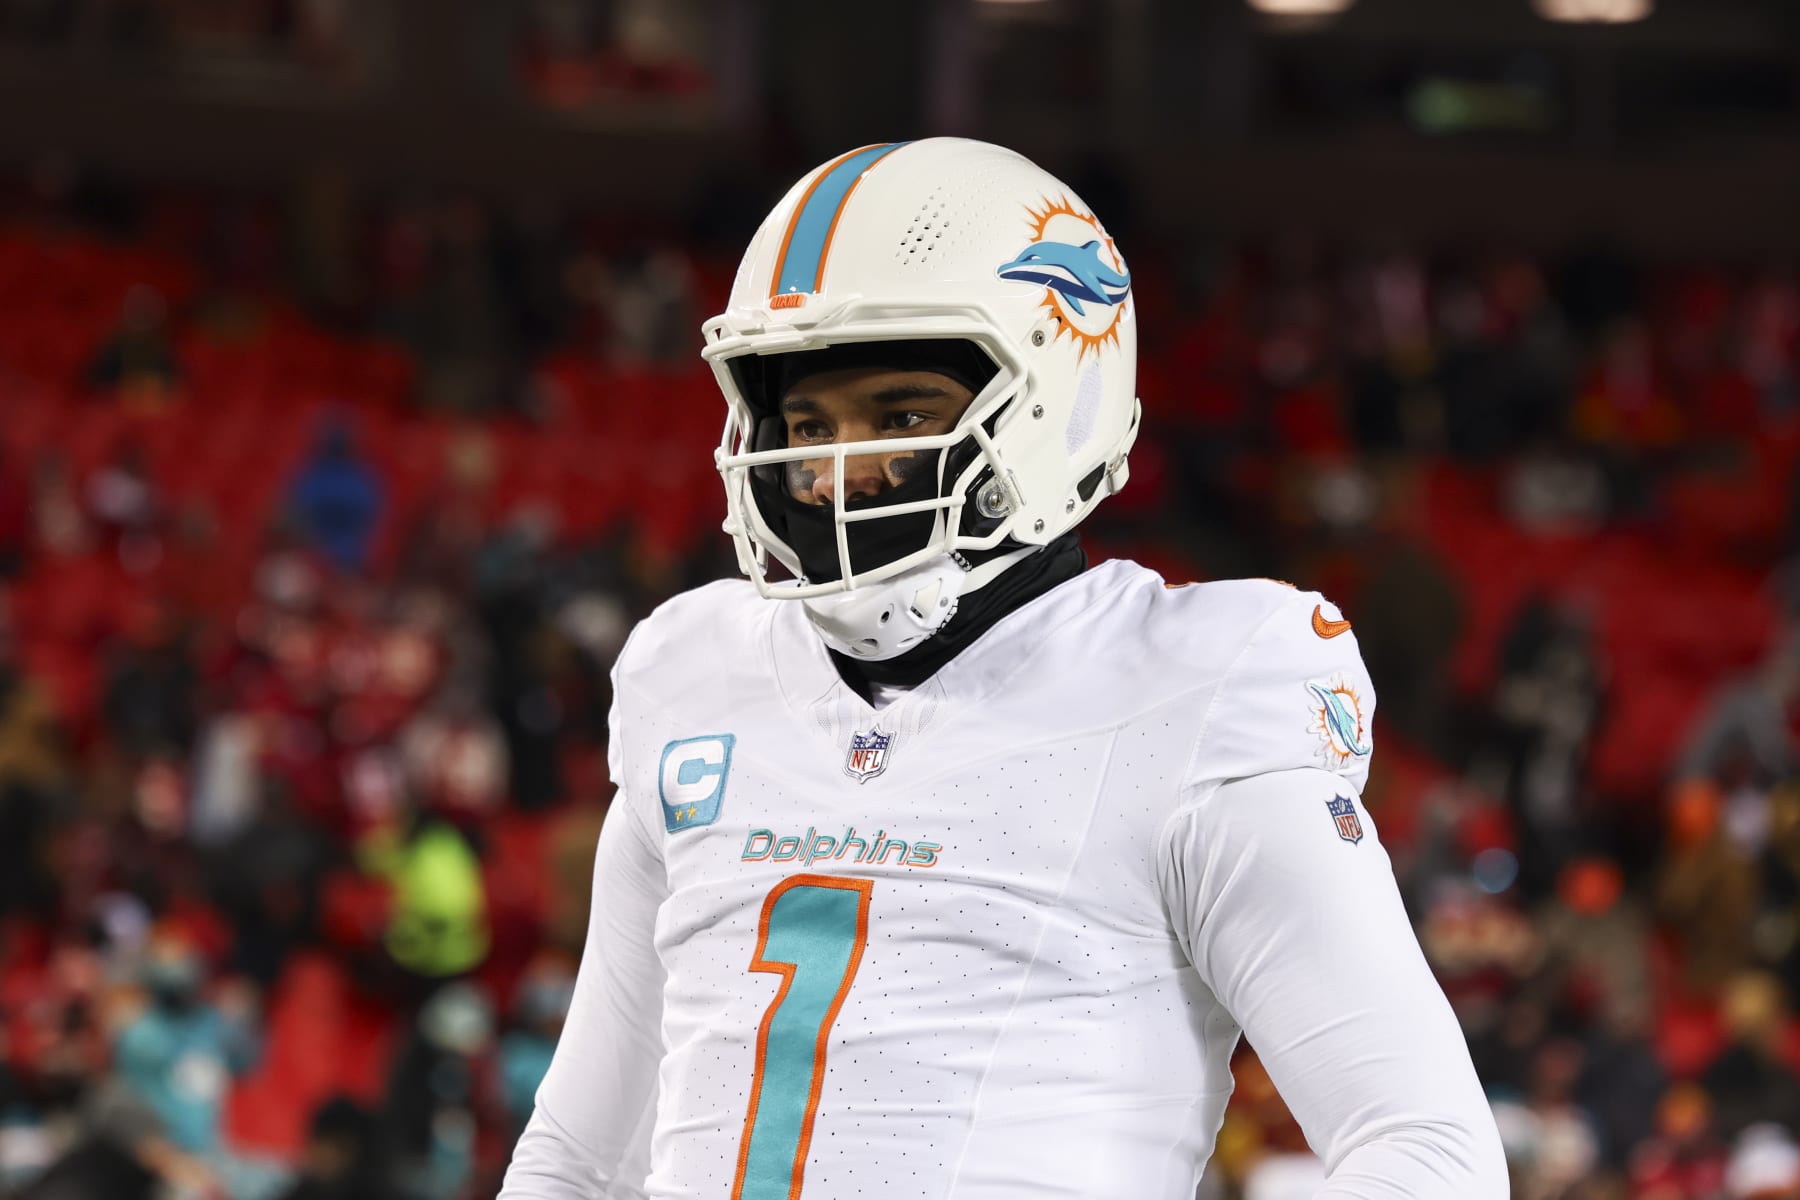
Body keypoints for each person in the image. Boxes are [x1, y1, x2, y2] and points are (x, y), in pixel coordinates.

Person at [500, 138, 1505, 1198]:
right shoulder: (696, 675)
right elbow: (579, 1158)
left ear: (1054, 403)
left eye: (900, 415)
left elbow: (1428, 1152)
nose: (842, 470)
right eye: (806, 423)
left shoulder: (1193, 691)